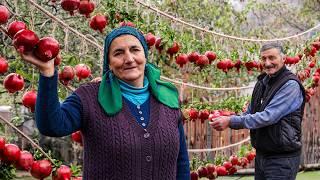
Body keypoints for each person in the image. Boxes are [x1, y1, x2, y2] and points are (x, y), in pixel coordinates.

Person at [21, 26, 190, 179]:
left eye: (135, 50)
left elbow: (181, 162)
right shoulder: (89, 98)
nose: (129, 58)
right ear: (108, 62)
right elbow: (52, 125)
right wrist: (47, 72)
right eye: (118, 53)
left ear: (145, 55)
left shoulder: (167, 97)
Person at [210, 43, 305, 180]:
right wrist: (227, 118)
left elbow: (268, 117)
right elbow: (250, 113)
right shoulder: (261, 83)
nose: (267, 63)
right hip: (262, 155)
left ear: (283, 59)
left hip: (282, 159)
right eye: (263, 58)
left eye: (272, 58)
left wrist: (231, 120)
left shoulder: (290, 85)